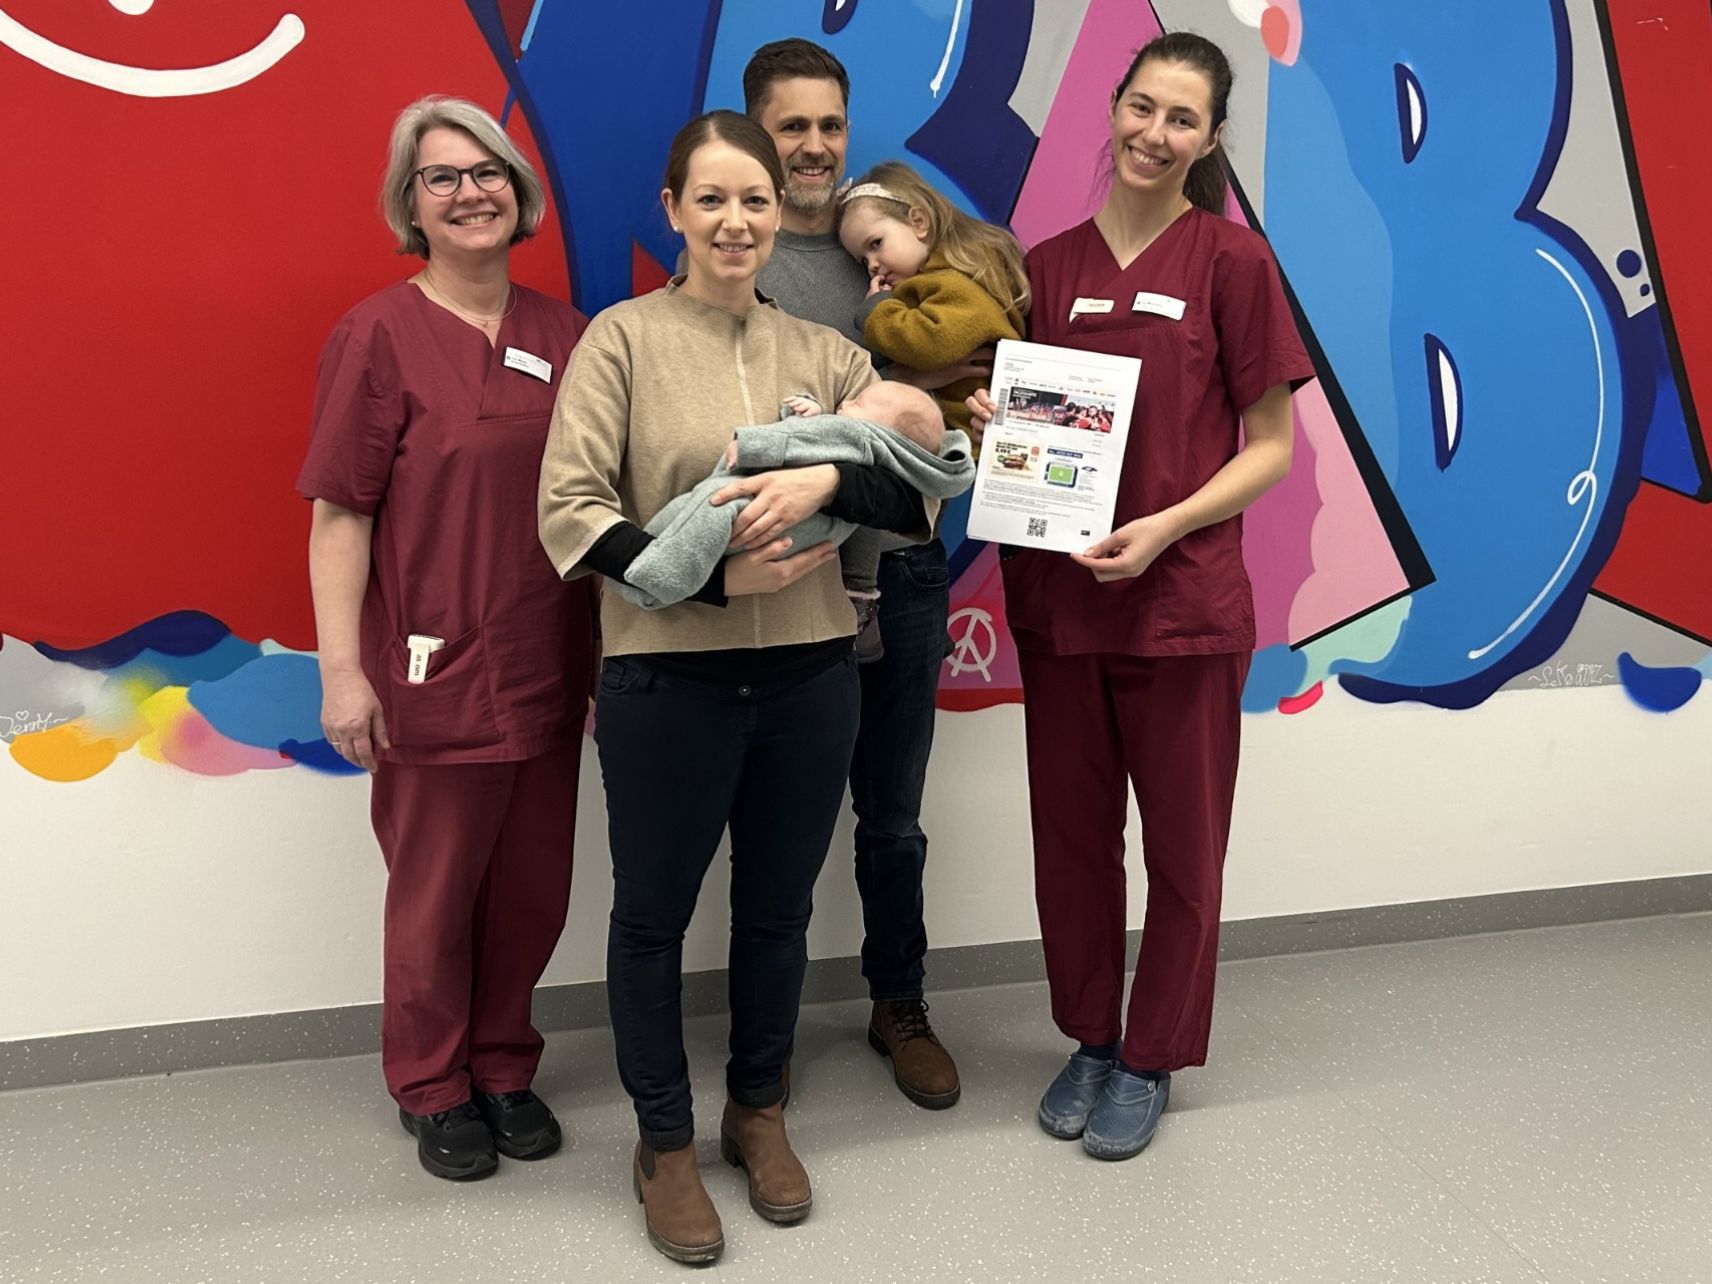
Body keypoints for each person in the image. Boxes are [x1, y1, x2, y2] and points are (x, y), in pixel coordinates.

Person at [536, 110, 940, 1265]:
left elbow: (914, 491)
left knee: (777, 914)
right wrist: (714, 581)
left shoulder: (827, 354)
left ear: (778, 214)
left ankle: (757, 1111)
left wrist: (822, 477)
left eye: (752, 200)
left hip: (811, 676)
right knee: (652, 918)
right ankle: (663, 1143)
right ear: (672, 210)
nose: (734, 221)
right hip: (666, 679)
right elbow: (570, 512)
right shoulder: (618, 340)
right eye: (709, 199)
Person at [969, 32, 1314, 1161]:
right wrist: (995, 422)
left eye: (1181, 120)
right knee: (1070, 840)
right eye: (1142, 108)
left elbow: (1272, 447)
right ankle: (1089, 1036)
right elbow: (1030, 434)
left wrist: (1165, 526)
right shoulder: (1046, 267)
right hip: (1062, 607)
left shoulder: (1232, 264)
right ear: (1112, 106)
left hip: (1182, 608)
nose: (1153, 135)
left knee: (1182, 845)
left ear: (1209, 141)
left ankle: (1152, 1054)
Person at [297, 96, 596, 1182]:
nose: (470, 193)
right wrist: (343, 674)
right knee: (434, 895)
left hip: (549, 661)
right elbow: (341, 515)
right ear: (410, 205)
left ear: (519, 192)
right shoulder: (376, 336)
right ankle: (430, 1083)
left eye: (488, 173)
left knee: (532, 888)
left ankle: (504, 1063)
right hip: (428, 671)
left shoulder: (569, 337)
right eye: (442, 177)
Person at [743, 36, 967, 1112]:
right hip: (790, 573)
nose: (815, 146)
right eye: (792, 126)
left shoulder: (888, 248)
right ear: (757, 134)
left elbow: (968, 363)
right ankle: (766, 1029)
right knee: (777, 819)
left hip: (906, 571)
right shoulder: (734, 261)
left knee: (893, 813)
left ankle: (899, 1002)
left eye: (829, 125)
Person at [605, 381, 972, 611]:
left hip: (753, 507)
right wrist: (808, 413)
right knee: (687, 527)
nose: (846, 403)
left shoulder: (860, 434)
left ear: (883, 429)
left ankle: (659, 578)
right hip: (805, 534)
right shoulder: (882, 455)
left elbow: (804, 440)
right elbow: (816, 438)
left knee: (706, 508)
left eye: (858, 402)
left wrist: (752, 445)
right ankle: (655, 575)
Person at [837, 159, 1028, 441]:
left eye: (876, 243)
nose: (872, 265)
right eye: (863, 260)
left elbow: (933, 343)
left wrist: (877, 312)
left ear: (919, 222)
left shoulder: (953, 282)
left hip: (969, 437)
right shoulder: (947, 276)